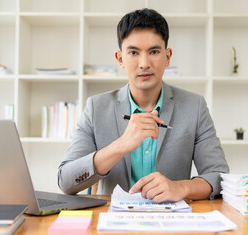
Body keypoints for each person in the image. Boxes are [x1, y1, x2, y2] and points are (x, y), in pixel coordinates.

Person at [58, 8, 229, 202]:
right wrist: (120, 146)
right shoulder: (96, 108)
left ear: (168, 56)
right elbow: (65, 181)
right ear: (120, 59)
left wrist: (181, 187)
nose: (144, 63)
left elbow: (219, 176)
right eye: (133, 52)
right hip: (113, 224)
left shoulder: (195, 106)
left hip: (174, 223)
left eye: (154, 51)